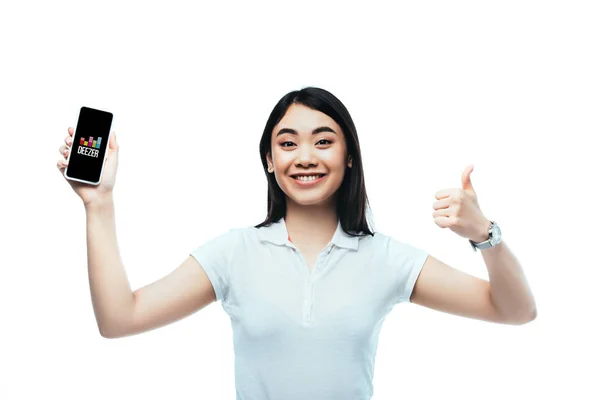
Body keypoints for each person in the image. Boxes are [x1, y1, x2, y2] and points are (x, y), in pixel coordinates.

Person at [56, 87, 536, 399]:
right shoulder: (234, 253)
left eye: (323, 141)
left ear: (349, 157)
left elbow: (515, 310)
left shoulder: (386, 258)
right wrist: (98, 205)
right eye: (287, 143)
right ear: (269, 160)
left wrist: (484, 235)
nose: (305, 156)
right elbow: (119, 320)